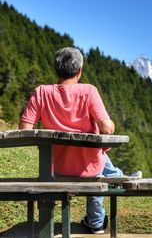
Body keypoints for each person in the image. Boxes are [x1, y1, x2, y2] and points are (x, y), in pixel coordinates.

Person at [19, 47, 142, 234]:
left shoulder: (41, 92)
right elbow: (107, 128)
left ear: (56, 69)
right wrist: (110, 123)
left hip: (56, 169)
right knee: (97, 160)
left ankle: (118, 177)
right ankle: (101, 212)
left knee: (97, 159)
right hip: (90, 168)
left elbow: (24, 130)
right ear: (79, 71)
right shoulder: (88, 91)